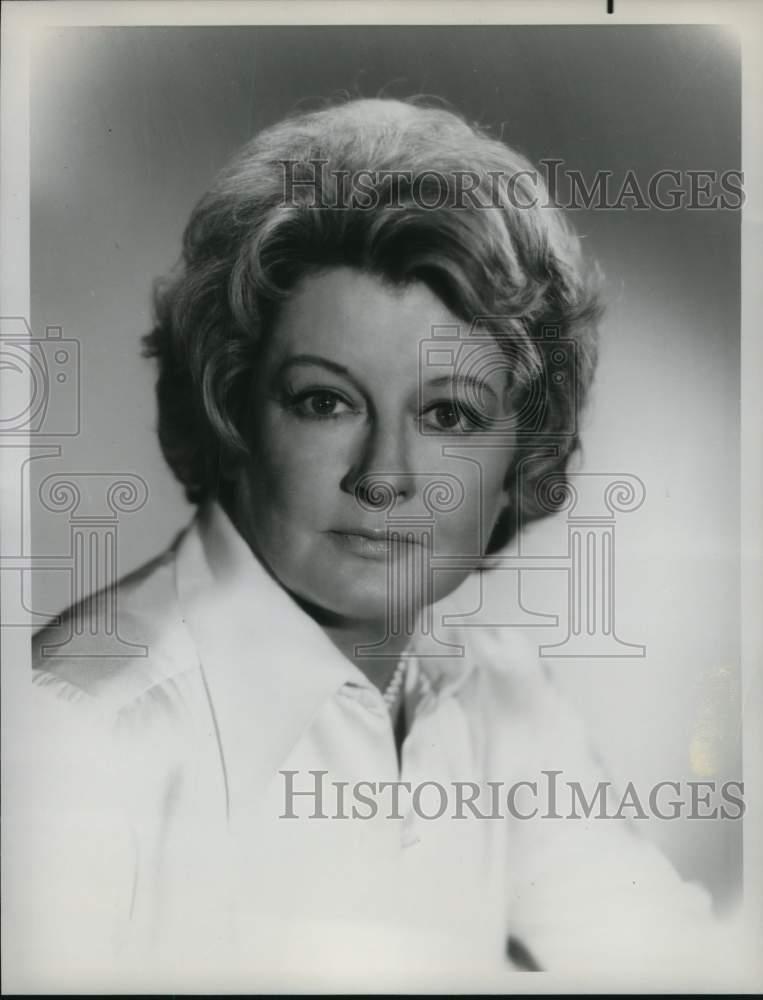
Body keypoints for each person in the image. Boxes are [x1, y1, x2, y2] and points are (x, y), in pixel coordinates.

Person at [20, 97, 740, 990]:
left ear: (520, 454)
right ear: (232, 407)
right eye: (326, 401)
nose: (386, 477)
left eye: (448, 415)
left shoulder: (492, 699)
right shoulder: (75, 738)